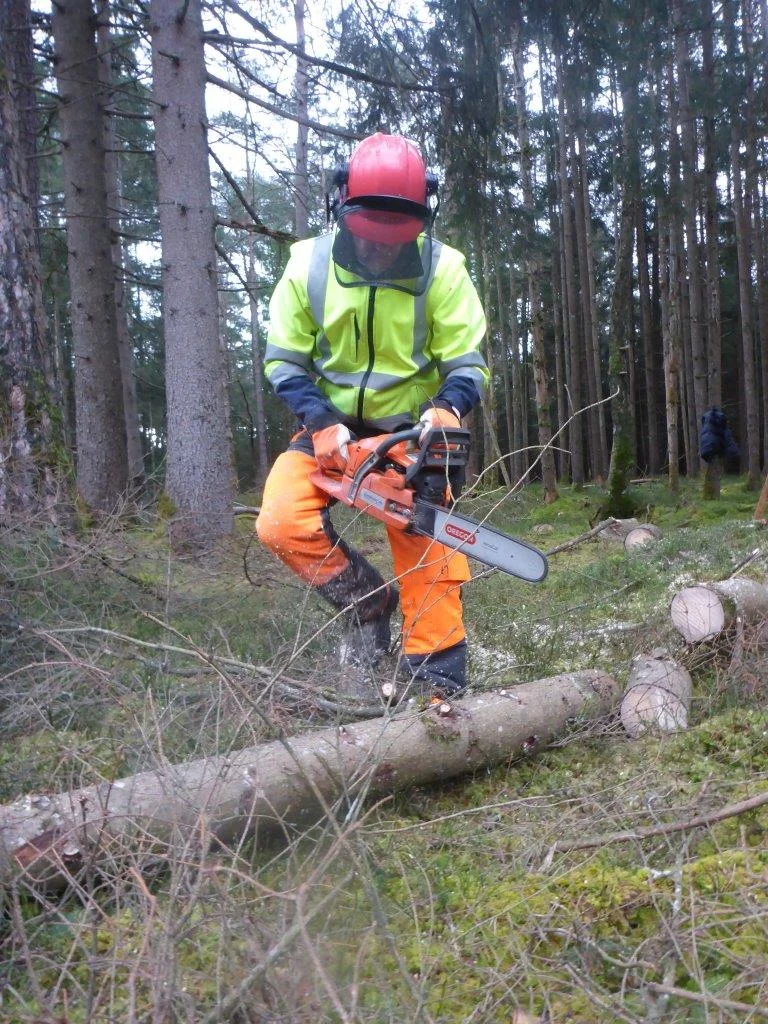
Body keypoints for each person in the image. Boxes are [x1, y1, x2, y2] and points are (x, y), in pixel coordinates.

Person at [256, 132, 488, 699]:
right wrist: (318, 418)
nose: (382, 249)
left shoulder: (444, 270)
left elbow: (469, 362)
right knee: (281, 521)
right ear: (343, 208)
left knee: (429, 540)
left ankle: (436, 682)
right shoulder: (308, 266)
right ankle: (367, 601)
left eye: (396, 238)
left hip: (410, 428)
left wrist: (446, 407)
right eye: (370, 236)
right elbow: (283, 359)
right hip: (328, 425)